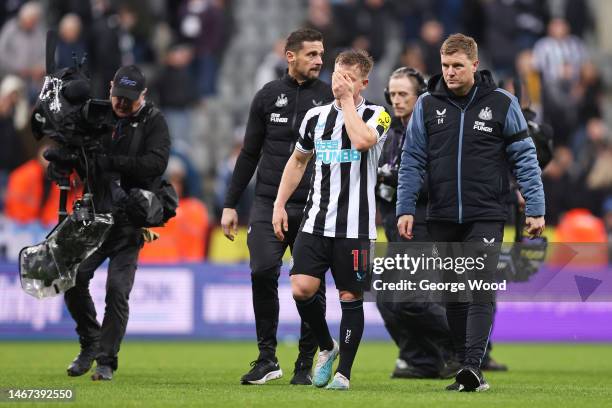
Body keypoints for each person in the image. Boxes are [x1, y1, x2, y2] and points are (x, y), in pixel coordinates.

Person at [397, 33, 545, 392]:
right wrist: (405, 207)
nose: (450, 72)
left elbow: (525, 158)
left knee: (477, 287)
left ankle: (474, 366)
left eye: (457, 66)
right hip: (443, 214)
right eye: (445, 66)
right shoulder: (428, 105)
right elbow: (412, 160)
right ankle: (466, 366)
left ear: (474, 66)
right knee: (452, 294)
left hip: (487, 213)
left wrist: (536, 207)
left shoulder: (502, 103)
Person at [221, 28, 333, 385]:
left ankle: (304, 363)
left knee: (309, 285)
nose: (319, 60)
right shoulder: (267, 96)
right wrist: (230, 203)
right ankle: (267, 358)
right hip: (269, 203)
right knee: (262, 271)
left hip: (315, 204)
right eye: (312, 54)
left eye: (321, 54)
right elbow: (249, 153)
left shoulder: (331, 98)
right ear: (290, 56)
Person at [273, 49, 391, 390]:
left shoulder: (378, 115)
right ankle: (326, 345)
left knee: (350, 297)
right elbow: (297, 161)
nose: (338, 83)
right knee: (301, 287)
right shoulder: (315, 118)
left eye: (348, 79)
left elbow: (362, 140)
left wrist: (348, 102)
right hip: (315, 222)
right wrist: (280, 204)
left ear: (363, 83)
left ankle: (345, 374)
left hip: (356, 228)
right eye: (336, 75)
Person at [57, 65, 170, 381]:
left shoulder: (154, 121)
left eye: (129, 99)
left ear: (143, 96)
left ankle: (106, 360)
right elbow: (74, 150)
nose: (121, 103)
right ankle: (90, 340)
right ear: (109, 88)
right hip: (92, 214)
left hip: (128, 219)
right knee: (73, 277)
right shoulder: (95, 115)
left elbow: (156, 164)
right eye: (118, 96)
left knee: (117, 290)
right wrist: (65, 163)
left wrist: (112, 163)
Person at [375, 67, 457, 379]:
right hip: (395, 226)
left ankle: (461, 346)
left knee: (411, 299)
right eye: (392, 95)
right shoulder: (389, 132)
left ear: (419, 96)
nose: (396, 101)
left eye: (403, 95)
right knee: (386, 298)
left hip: (422, 223)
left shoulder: (434, 132)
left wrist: (392, 178)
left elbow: (437, 182)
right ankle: (421, 359)